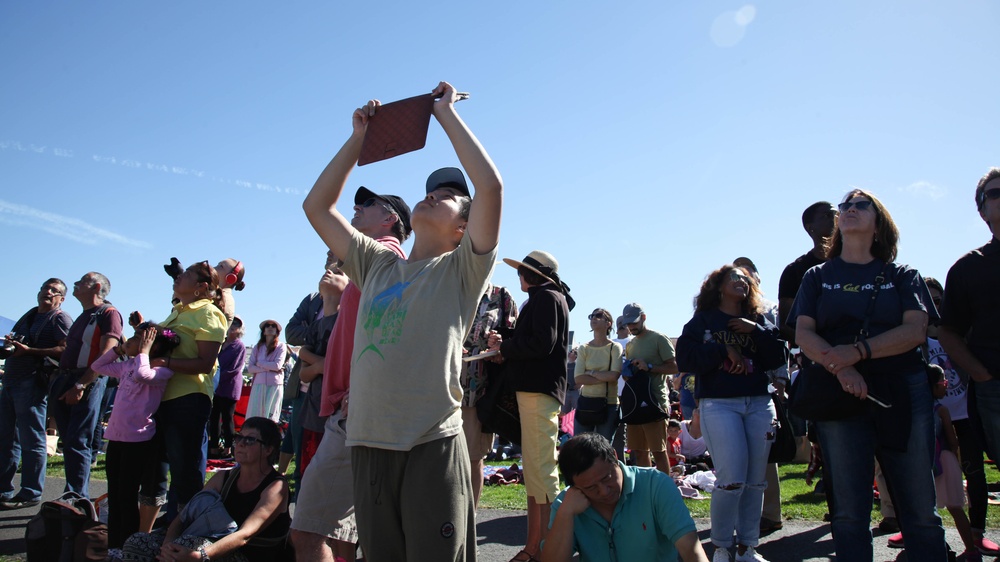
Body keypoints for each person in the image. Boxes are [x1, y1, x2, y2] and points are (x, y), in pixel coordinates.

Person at [302, 80, 500, 562]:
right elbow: (316, 207)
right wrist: (359, 138)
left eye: (451, 196)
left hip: (431, 441)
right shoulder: (376, 265)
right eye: (431, 190)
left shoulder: (462, 269)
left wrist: (444, 114)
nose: (435, 195)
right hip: (368, 441)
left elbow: (490, 186)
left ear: (463, 229)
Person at [789, 189, 947, 561]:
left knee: (920, 509)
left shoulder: (902, 274)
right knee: (847, 512)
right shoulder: (817, 276)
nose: (850, 209)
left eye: (862, 205)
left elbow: (915, 330)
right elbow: (803, 335)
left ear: (880, 222)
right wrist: (842, 367)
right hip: (838, 392)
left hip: (902, 390)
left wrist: (857, 352)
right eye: (845, 205)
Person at [290, 187, 410, 562]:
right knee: (346, 534)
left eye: (367, 204)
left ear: (390, 218)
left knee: (307, 529)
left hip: (356, 410)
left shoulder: (385, 256)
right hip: (356, 405)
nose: (356, 208)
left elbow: (317, 208)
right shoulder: (377, 266)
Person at [676, 265, 787, 562]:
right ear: (718, 286)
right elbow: (685, 358)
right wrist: (722, 350)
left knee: (755, 481)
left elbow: (779, 354)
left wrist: (757, 331)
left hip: (759, 403)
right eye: (734, 277)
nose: (741, 281)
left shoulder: (758, 320)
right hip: (719, 403)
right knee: (730, 479)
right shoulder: (703, 322)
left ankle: (748, 547)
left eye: (745, 278)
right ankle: (722, 546)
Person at [489, 250, 573, 562]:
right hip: (537, 390)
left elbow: (542, 343)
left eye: (522, 271)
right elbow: (539, 339)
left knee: (541, 470)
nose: (519, 276)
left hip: (538, 390)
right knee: (537, 470)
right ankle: (537, 544)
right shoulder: (549, 297)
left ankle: (549, 547)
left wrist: (506, 346)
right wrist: (508, 340)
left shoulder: (546, 297)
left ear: (533, 274)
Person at [121, 417, 291, 562]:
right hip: (207, 543)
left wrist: (200, 556)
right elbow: (184, 515)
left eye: (250, 440)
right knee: (137, 542)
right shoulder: (224, 477)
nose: (241, 444)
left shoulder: (276, 487)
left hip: (248, 554)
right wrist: (168, 544)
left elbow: (245, 535)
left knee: (188, 545)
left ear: (269, 449)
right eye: (239, 437)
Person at [938, 167, 1000, 556]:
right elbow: (948, 332)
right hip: (995, 385)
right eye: (995, 193)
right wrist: (981, 374)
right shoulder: (967, 268)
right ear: (982, 210)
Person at [143, 261, 228, 512]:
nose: (180, 277)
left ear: (201, 287)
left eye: (187, 274)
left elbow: (205, 363)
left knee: (185, 474)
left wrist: (163, 361)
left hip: (188, 400)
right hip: (161, 397)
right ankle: (147, 535)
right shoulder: (178, 311)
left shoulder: (209, 313)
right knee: (153, 471)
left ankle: (182, 534)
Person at [543, 433, 709, 562]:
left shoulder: (656, 485)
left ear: (615, 456)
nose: (604, 491)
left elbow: (691, 548)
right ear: (574, 487)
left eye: (607, 477)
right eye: (591, 487)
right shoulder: (566, 503)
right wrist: (565, 514)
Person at [91, 323, 181, 548]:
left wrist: (143, 351)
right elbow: (97, 365)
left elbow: (143, 375)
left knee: (127, 495)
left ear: (153, 345)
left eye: (139, 338)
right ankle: (113, 545)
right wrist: (119, 350)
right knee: (115, 493)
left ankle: (126, 545)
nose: (131, 340)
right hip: (116, 437)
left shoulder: (162, 370)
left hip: (137, 439)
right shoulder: (128, 365)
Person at [0, 278, 73, 509]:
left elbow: (66, 350)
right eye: (46, 288)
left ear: (61, 299)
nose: (48, 292)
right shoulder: (30, 314)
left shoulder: (60, 318)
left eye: (55, 291)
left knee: (32, 440)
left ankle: (31, 492)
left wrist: (30, 351)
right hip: (10, 381)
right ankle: (3, 489)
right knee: (6, 439)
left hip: (32, 383)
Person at [50, 272, 123, 498]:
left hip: (87, 381)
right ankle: (72, 494)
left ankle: (76, 497)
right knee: (70, 440)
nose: (75, 284)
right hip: (66, 378)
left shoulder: (108, 314)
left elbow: (107, 354)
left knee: (77, 440)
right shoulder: (84, 315)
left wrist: (81, 385)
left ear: (96, 287)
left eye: (82, 281)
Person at [461, 283, 518, 508]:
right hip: (440, 389)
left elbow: (514, 342)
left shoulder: (500, 297)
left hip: (479, 392)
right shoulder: (449, 286)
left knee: (473, 457)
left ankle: (468, 523)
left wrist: (498, 347)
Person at [296, 267, 349, 476]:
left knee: (325, 478)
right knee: (305, 475)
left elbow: (340, 365)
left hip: (335, 416)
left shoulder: (347, 322)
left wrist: (312, 361)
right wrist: (321, 364)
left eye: (339, 272)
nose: (329, 271)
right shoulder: (317, 327)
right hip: (312, 412)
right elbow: (303, 375)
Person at [619, 303, 679, 472]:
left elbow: (674, 367)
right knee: (639, 451)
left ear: (644, 318)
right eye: (628, 324)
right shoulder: (630, 344)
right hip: (636, 403)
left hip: (655, 403)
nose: (631, 327)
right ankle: (646, 490)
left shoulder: (659, 338)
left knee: (658, 451)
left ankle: (664, 492)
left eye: (634, 322)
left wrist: (650, 367)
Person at [573, 308, 623, 442]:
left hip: (609, 404)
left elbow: (614, 376)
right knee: (580, 446)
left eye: (599, 316)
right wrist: (603, 376)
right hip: (585, 403)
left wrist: (591, 373)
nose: (594, 318)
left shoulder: (614, 347)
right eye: (592, 316)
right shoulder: (584, 348)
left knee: (603, 447)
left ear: (609, 323)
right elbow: (578, 378)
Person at [210, 316, 248, 459]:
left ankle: (228, 448)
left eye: (237, 324)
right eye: (231, 322)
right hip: (216, 385)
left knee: (227, 418)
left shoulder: (239, 346)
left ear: (240, 329)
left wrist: (216, 377)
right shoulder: (221, 343)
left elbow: (235, 369)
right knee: (214, 417)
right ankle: (213, 447)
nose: (233, 325)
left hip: (229, 386)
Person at [246, 320, 288, 422]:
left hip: (274, 385)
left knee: (270, 416)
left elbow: (277, 365)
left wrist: (259, 364)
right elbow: (250, 368)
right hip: (258, 385)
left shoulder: (281, 346)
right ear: (263, 331)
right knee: (255, 415)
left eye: (273, 326)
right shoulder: (257, 347)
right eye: (267, 326)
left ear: (277, 331)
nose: (270, 327)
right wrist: (269, 367)